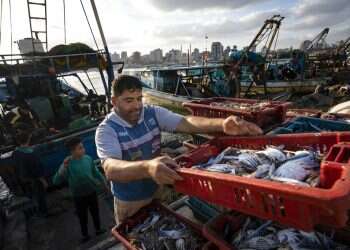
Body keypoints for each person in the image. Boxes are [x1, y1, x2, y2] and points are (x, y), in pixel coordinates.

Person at [95, 75, 263, 224]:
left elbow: (186, 122)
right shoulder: (107, 130)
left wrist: (222, 124)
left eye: (139, 98)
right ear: (114, 101)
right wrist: (147, 167)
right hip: (130, 200)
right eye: (129, 100)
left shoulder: (151, 113)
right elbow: (110, 168)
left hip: (156, 188)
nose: (137, 105)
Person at [53, 137, 106, 243]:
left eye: (82, 147)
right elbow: (56, 181)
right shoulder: (67, 164)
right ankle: (85, 235)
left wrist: (104, 182)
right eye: (80, 148)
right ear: (72, 151)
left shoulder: (88, 159)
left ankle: (98, 229)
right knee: (83, 216)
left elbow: (96, 172)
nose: (83, 150)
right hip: (78, 196)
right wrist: (63, 167)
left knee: (95, 212)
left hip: (91, 191)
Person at [12, 131, 48, 216]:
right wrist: (43, 181)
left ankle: (34, 211)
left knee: (31, 195)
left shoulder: (16, 153)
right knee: (40, 196)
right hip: (35, 180)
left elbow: (16, 167)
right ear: (29, 139)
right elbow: (37, 170)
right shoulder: (31, 153)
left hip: (24, 179)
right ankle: (43, 212)